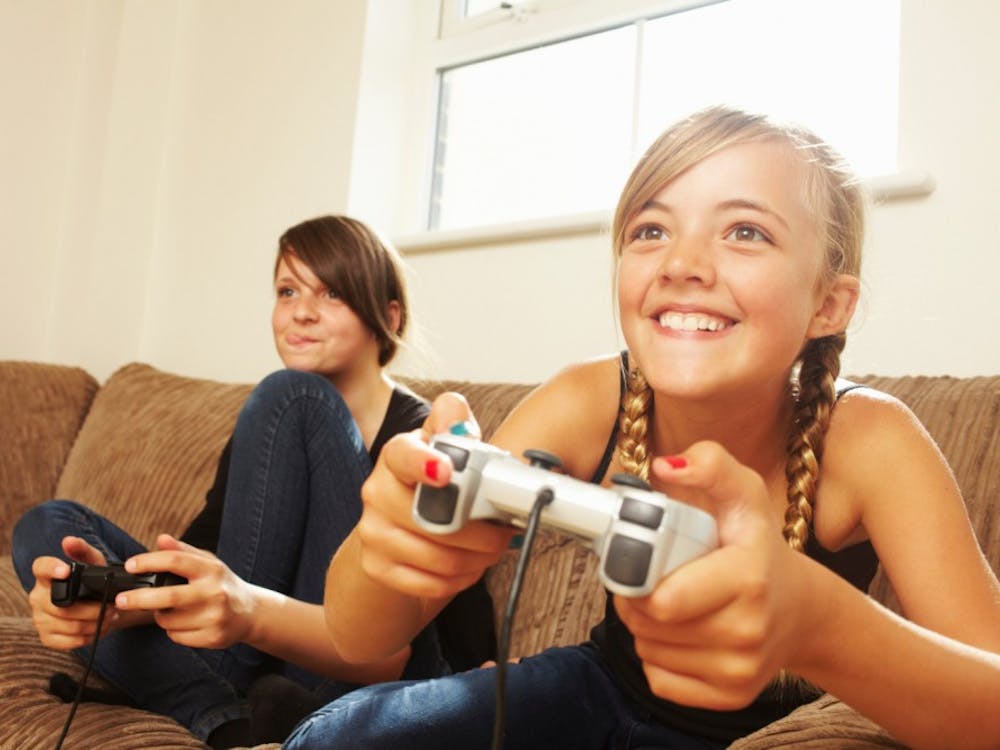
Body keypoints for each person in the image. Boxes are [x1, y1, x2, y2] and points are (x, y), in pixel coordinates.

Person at [281, 108, 1000, 750]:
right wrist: (391, 548)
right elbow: (359, 634)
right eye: (651, 230)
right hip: (597, 690)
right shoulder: (589, 396)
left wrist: (822, 627)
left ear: (829, 305)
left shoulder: (871, 439)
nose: (682, 264)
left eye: (745, 232)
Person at [12, 215, 494, 748]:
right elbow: (213, 555)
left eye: (331, 292)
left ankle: (222, 694)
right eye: (287, 291)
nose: (301, 312)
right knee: (46, 524)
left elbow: (453, 593)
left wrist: (480, 677)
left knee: (295, 396)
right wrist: (119, 601)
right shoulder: (275, 425)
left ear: (388, 315)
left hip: (360, 661)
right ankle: (229, 719)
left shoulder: (415, 431)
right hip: (249, 652)